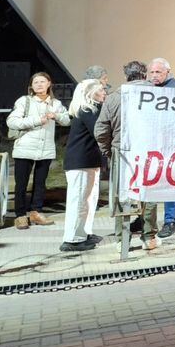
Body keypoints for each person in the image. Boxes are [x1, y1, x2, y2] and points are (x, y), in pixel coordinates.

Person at [94, 60, 159, 250]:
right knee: (149, 194)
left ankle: (122, 239)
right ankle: (149, 237)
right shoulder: (158, 94)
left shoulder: (114, 97)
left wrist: (108, 150)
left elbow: (101, 129)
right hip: (151, 151)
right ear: (144, 74)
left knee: (122, 194)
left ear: (126, 76)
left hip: (122, 152)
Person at [7, 72, 70, 229]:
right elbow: (12, 121)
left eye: (42, 81)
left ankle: (36, 212)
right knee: (21, 184)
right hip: (25, 148)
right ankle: (20, 215)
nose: (39, 84)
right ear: (31, 86)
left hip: (45, 149)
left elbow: (68, 119)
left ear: (49, 83)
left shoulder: (55, 103)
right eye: (36, 82)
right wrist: (36, 120)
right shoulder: (24, 101)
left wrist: (56, 116)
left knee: (40, 183)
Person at [61, 79, 107, 252]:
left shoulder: (91, 109)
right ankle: (72, 239)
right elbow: (99, 132)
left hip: (88, 161)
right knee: (79, 200)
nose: (104, 92)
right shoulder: (87, 110)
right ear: (91, 92)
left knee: (87, 199)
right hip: (80, 162)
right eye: (101, 89)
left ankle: (84, 232)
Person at [147, 59, 175, 237]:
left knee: (170, 183)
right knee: (151, 182)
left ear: (167, 72)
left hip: (171, 145)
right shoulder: (147, 88)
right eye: (152, 72)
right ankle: (146, 220)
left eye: (158, 72)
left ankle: (170, 221)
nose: (154, 76)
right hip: (152, 144)